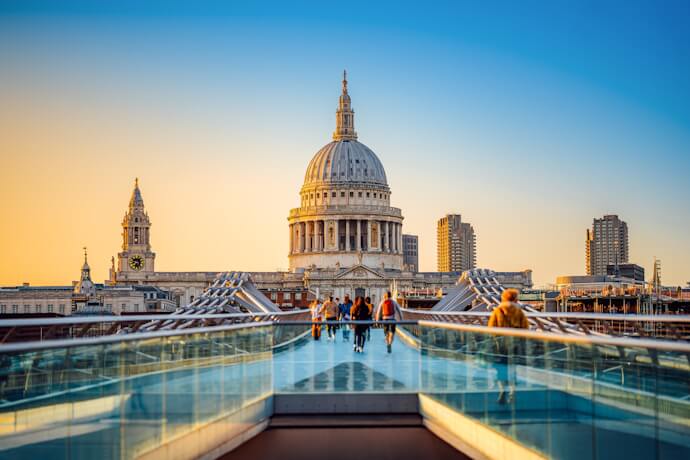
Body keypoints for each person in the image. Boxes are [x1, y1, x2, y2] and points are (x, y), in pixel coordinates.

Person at [487, 288, 529, 404]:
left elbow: (491, 328)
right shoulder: (519, 311)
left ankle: (502, 391)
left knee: (501, 370)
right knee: (512, 370)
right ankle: (512, 393)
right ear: (516, 299)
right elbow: (525, 328)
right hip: (515, 346)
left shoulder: (498, 310)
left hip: (500, 347)